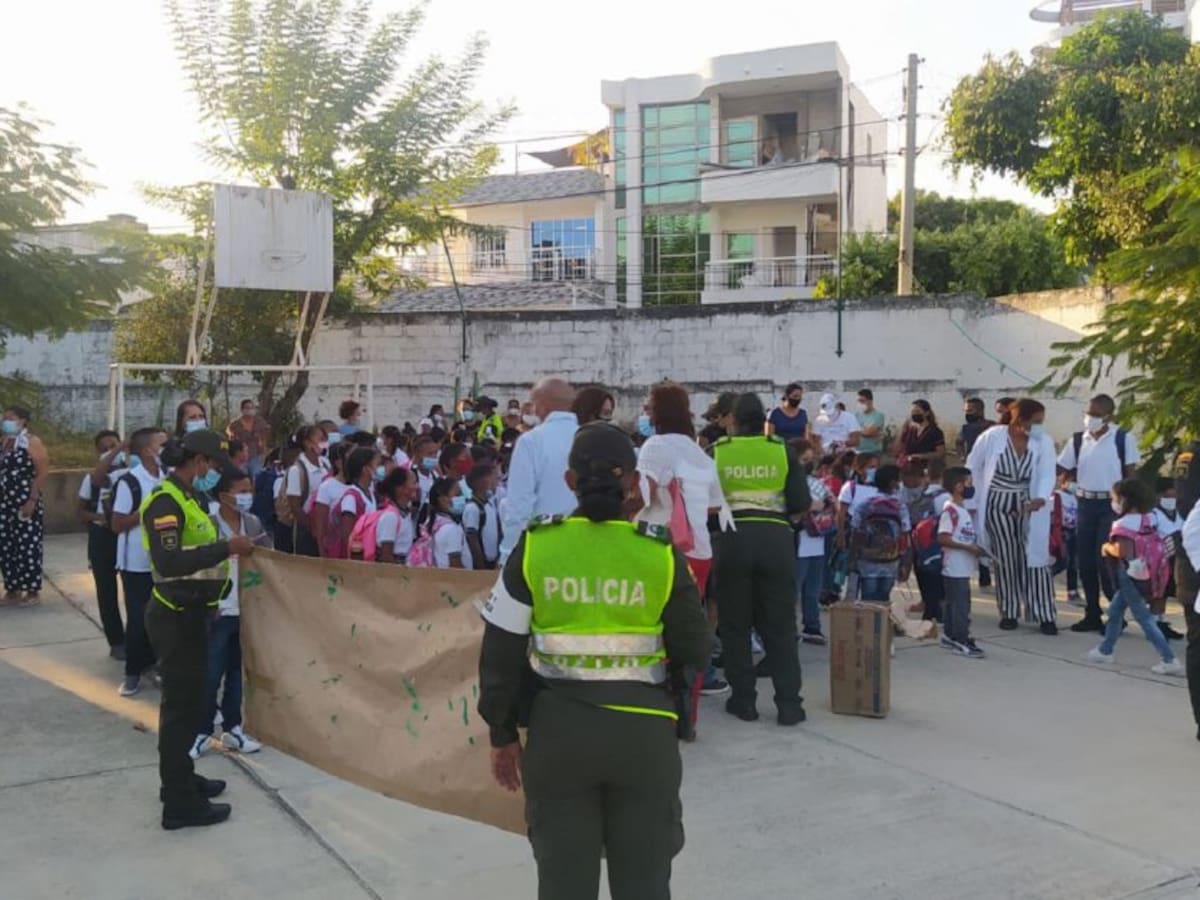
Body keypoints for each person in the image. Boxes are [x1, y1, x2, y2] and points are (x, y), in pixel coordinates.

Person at [477, 422, 711, 900]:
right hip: (644, 738)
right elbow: (695, 649)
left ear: (569, 480)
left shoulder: (536, 547)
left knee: (564, 885)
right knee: (645, 885)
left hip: (558, 738)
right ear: (633, 483)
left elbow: (499, 654)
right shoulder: (659, 553)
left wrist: (502, 733)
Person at [142, 429, 255, 830]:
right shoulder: (166, 502)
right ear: (199, 461)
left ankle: (182, 779)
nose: (215, 473)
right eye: (213, 465)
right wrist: (227, 547)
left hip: (194, 615)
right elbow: (169, 561)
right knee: (180, 709)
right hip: (175, 617)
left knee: (189, 705)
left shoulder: (190, 497)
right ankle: (179, 804)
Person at [711, 393, 810, 724]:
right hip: (776, 541)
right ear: (765, 421)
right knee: (781, 626)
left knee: (735, 626)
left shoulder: (718, 451)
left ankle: (744, 702)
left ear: (734, 421)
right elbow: (800, 501)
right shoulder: (782, 450)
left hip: (732, 540)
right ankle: (789, 705)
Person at [635, 382, 730, 694]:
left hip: (662, 548)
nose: (646, 413)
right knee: (686, 622)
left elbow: (642, 493)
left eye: (649, 407)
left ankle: (656, 688)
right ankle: (692, 685)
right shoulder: (700, 453)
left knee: (655, 624)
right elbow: (715, 504)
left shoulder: (655, 446)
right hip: (699, 551)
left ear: (660, 412)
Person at [191, 468, 264, 760]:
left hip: (245, 610)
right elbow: (198, 566)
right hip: (219, 612)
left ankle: (233, 727)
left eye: (250, 490)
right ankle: (201, 730)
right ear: (224, 496)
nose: (248, 496)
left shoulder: (253, 523)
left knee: (236, 672)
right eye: (242, 491)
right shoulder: (209, 525)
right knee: (211, 674)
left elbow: (268, 561)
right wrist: (208, 605)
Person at [968, 399, 1058, 634]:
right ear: (1020, 420)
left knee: (1036, 559)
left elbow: (1048, 473)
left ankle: (1044, 613)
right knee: (1006, 558)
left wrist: (1041, 497)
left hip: (1030, 504)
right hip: (997, 504)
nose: (1039, 426)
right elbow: (973, 465)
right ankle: (1009, 611)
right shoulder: (993, 436)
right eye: (1036, 421)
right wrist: (973, 497)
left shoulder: (1043, 441)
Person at [1056, 393, 1141, 633]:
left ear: (1108, 416)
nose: (1090, 418)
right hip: (1085, 503)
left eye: (1096, 414)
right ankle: (1092, 613)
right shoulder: (1078, 440)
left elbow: (1130, 475)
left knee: (1106, 562)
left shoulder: (1122, 439)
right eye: (1088, 413)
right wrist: (1063, 482)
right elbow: (1061, 467)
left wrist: (1129, 508)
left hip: (1110, 506)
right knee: (1085, 562)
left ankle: (1116, 616)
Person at [1086, 478, 1183, 676]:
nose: (1113, 503)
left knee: (1144, 619)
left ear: (1123, 500)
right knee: (1115, 611)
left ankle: (1169, 659)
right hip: (1147, 572)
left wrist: (1106, 548)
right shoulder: (1149, 518)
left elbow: (1122, 552)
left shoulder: (1122, 524)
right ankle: (1105, 649)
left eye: (1115, 499)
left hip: (1128, 575)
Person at [111, 427, 167, 696]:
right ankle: (133, 672)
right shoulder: (131, 482)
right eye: (162, 444)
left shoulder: (167, 478)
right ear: (147, 451)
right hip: (135, 562)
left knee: (162, 619)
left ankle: (157, 665)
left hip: (163, 560)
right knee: (138, 619)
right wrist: (147, 510)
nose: (167, 449)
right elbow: (117, 523)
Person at [499, 378, 579, 562]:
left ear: (542, 404)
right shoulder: (588, 438)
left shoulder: (531, 441)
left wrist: (508, 554)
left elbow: (519, 505)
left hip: (541, 548)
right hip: (581, 546)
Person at [79, 429, 127, 656]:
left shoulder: (130, 473)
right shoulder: (92, 478)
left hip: (125, 535)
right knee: (106, 590)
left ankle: (137, 638)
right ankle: (116, 641)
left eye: (114, 446)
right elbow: (81, 512)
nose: (111, 451)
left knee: (134, 590)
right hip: (102, 536)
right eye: (105, 449)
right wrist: (102, 518)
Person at [0, 406, 49, 605]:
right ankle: (12, 588)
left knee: (27, 544)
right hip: (5, 502)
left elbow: (42, 472)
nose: (5, 422)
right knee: (6, 545)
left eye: (10, 418)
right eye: (4, 418)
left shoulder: (31, 442)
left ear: (22, 421)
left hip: (25, 499)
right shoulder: (5, 442)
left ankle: (31, 589)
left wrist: (32, 500)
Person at [938, 466, 986, 659]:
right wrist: (967, 548)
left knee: (954, 603)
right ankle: (961, 639)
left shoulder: (962, 510)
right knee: (961, 605)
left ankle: (950, 635)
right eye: (969, 483)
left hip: (963, 566)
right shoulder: (950, 511)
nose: (971, 487)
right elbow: (943, 538)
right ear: (959, 486)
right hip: (954, 566)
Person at [848, 464, 911, 603]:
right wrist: (906, 563)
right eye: (899, 480)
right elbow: (905, 536)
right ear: (893, 483)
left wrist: (852, 559)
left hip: (867, 561)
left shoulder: (865, 504)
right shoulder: (900, 506)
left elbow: (855, 533)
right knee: (884, 600)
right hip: (891, 561)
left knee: (867, 601)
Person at [795, 439, 833, 645]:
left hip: (816, 541)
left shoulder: (818, 483)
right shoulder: (789, 482)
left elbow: (831, 503)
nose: (808, 463)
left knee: (813, 590)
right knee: (793, 590)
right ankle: (789, 629)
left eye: (811, 459)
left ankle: (812, 626)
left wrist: (822, 504)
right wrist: (812, 505)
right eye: (804, 459)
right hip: (797, 543)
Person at [286, 425, 330, 557]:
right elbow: (295, 506)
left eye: (325, 439)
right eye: (320, 439)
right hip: (307, 529)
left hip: (327, 527)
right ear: (307, 443)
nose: (324, 443)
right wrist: (312, 528)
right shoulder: (296, 470)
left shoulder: (326, 465)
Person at [1155, 477, 1184, 640]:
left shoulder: (1179, 514)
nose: (1172, 499)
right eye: (1169, 496)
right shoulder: (1153, 515)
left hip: (1177, 559)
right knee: (1160, 593)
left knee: (1170, 591)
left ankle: (1161, 621)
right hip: (1160, 560)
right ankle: (1157, 623)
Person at [423, 476, 471, 569]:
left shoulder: (433, 522)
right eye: (458, 495)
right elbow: (455, 566)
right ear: (442, 499)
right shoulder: (452, 529)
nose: (463, 498)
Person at [374, 468, 419, 564]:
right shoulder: (391, 517)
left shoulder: (406, 514)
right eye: (413, 483)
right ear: (400, 488)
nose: (417, 487)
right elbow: (386, 556)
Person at [312, 443, 350, 557]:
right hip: (335, 551)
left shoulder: (365, 487)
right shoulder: (327, 487)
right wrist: (323, 555)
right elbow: (321, 527)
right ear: (339, 463)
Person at [464, 463, 501, 570]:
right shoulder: (473, 508)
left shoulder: (490, 504)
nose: (497, 480)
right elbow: (472, 538)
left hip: (493, 562)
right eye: (493, 477)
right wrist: (481, 566)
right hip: (481, 565)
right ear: (483, 483)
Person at [1054, 471, 1081, 607]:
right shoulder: (1057, 495)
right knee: (1063, 561)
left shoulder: (1076, 498)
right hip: (1062, 531)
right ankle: (1044, 578)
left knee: (1073, 563)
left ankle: (1072, 591)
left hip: (1073, 530)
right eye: (1071, 480)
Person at [225, 399, 269, 479]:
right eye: (247, 408)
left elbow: (264, 438)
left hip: (256, 456)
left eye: (252, 408)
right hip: (241, 458)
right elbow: (231, 440)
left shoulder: (260, 423)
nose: (250, 410)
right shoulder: (234, 425)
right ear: (242, 410)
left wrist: (263, 453)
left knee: (256, 478)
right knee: (242, 478)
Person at [855, 389, 885, 455]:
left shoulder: (878, 416)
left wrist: (857, 430)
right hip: (857, 452)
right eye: (858, 401)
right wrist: (863, 430)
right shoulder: (856, 415)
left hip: (872, 452)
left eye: (862, 401)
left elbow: (868, 432)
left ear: (870, 401)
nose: (860, 403)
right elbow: (850, 432)